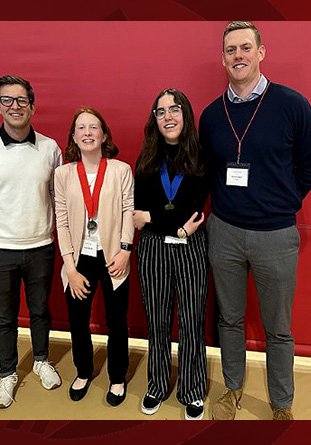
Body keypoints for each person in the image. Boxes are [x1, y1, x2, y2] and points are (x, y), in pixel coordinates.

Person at [199, 21, 311, 420]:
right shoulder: (211, 115)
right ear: (223, 59)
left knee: (278, 329)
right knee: (229, 320)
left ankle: (281, 404)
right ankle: (233, 389)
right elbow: (206, 170)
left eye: (245, 48)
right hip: (225, 231)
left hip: (276, 234)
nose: (238, 56)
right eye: (231, 50)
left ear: (261, 52)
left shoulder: (292, 104)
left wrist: (281, 202)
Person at [0, 75, 62, 409]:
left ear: (32, 105)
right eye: (7, 100)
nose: (15, 106)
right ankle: (7, 373)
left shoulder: (50, 148)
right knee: (5, 316)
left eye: (21, 100)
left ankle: (41, 360)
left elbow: (55, 193)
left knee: (40, 311)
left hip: (40, 246)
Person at [133, 88, 209, 420]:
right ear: (155, 120)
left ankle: (192, 389)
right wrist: (173, 225)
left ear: (185, 115)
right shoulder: (146, 158)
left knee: (192, 321)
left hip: (191, 248)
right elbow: (139, 214)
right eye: (161, 111)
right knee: (158, 321)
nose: (168, 116)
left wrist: (158, 219)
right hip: (152, 249)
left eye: (174, 109)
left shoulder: (201, 156)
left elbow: (193, 208)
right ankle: (157, 384)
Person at [54, 107, 134, 407]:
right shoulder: (63, 174)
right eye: (81, 128)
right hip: (78, 259)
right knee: (78, 320)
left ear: (103, 135)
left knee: (117, 321)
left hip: (113, 255)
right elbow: (61, 221)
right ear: (74, 136)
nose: (88, 133)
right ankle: (84, 371)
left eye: (93, 127)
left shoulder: (120, 170)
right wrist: (69, 267)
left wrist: (125, 250)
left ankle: (116, 377)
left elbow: (128, 210)